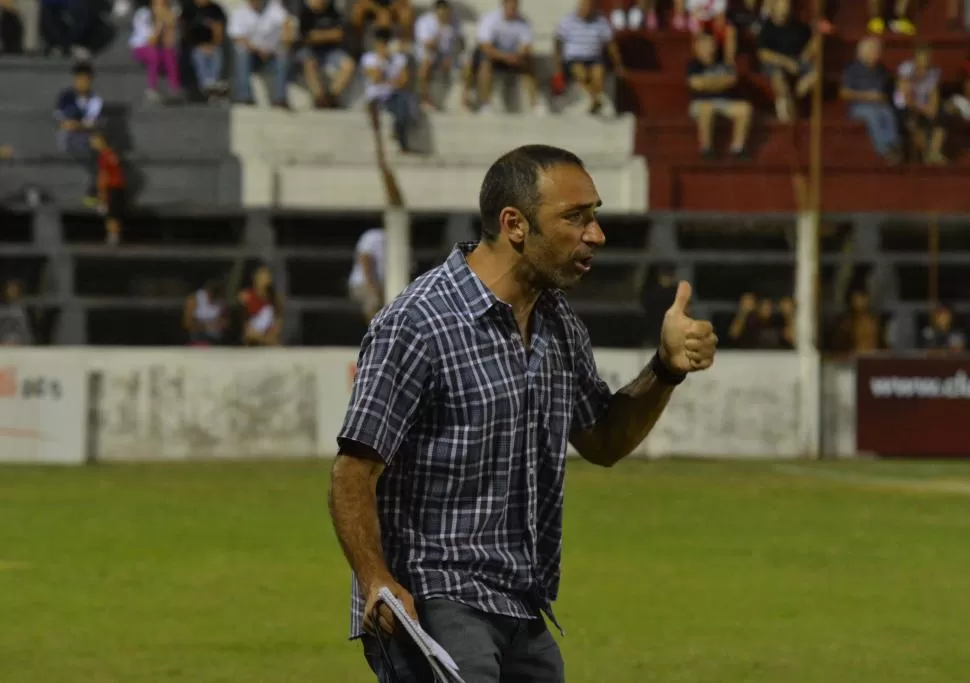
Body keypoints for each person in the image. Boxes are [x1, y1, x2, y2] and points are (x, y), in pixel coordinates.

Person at [328, 144, 718, 683]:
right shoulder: (418, 322)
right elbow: (353, 470)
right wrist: (375, 579)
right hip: (435, 602)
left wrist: (666, 369)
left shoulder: (558, 323)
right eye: (575, 217)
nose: (596, 234)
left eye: (595, 215)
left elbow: (603, 440)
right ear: (515, 224)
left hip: (521, 607)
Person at [552, 0, 627, 116]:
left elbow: (610, 44)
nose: (584, 10)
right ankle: (596, 100)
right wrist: (557, 62)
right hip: (574, 58)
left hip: (594, 57)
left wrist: (618, 63)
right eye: (582, 6)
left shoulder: (600, 21)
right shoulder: (568, 20)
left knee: (598, 75)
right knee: (582, 73)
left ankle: (594, 101)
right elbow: (558, 41)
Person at [687, 33, 752, 159]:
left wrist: (709, 83)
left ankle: (738, 148)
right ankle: (706, 148)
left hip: (723, 102)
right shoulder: (693, 65)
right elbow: (696, 84)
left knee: (745, 108)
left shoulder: (723, 63)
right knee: (707, 108)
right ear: (697, 48)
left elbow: (732, 80)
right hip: (701, 102)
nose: (709, 48)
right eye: (705, 45)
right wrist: (720, 82)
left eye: (711, 45)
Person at [840, 37, 901, 164]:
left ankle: (894, 145)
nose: (878, 54)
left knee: (887, 112)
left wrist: (882, 97)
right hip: (858, 106)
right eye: (875, 51)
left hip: (879, 104)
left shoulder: (881, 70)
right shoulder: (852, 69)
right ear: (864, 53)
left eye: (878, 51)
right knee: (872, 115)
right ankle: (884, 150)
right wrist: (868, 96)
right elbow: (844, 93)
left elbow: (887, 90)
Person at [757, 0, 817, 123]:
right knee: (777, 75)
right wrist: (786, 62)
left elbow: (811, 40)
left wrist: (808, 52)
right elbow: (763, 54)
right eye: (781, 7)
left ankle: (796, 95)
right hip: (775, 62)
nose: (784, 10)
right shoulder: (766, 28)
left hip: (796, 60)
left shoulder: (797, 25)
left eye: (786, 7)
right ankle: (784, 111)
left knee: (815, 73)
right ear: (773, 9)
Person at [54, 61, 103, 206]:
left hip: (86, 138)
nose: (83, 83)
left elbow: (93, 124)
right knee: (96, 147)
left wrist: (79, 125)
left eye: (87, 79)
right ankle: (94, 191)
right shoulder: (65, 97)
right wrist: (82, 125)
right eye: (80, 79)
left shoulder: (95, 100)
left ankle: (97, 192)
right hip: (69, 138)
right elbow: (65, 123)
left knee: (100, 147)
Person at [362, 27, 414, 154]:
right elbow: (375, 77)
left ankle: (401, 138)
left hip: (393, 95)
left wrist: (389, 80)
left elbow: (404, 81)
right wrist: (383, 62)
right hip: (375, 97)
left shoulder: (399, 58)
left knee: (404, 103)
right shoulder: (368, 58)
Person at [299, 0, 354, 108]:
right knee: (309, 63)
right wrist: (328, 35)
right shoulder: (305, 13)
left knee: (349, 64)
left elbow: (339, 34)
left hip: (331, 51)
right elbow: (307, 38)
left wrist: (319, 35)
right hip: (312, 50)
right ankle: (319, 98)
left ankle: (332, 97)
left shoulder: (333, 11)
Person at [129, 0, 182, 102]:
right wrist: (160, 23)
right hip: (141, 47)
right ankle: (152, 88)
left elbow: (170, 43)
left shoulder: (170, 13)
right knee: (154, 54)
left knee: (169, 53)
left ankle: (174, 88)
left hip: (159, 48)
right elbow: (151, 40)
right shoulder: (143, 14)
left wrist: (170, 26)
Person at [182, 0, 228, 99]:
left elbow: (220, 33)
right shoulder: (188, 9)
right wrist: (200, 46)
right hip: (194, 46)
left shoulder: (216, 10)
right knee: (199, 55)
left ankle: (213, 83)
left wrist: (213, 43)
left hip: (213, 45)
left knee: (217, 54)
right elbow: (186, 32)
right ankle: (206, 86)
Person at [91, 131, 126, 245]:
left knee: (111, 215)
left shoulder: (104, 156)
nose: (93, 143)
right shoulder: (112, 154)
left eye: (95, 141)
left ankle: (113, 237)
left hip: (111, 189)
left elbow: (104, 176)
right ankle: (114, 236)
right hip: (117, 188)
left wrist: (102, 194)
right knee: (113, 214)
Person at [347, 227, 385, 323]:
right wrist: (371, 287)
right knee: (373, 302)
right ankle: (376, 334)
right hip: (362, 283)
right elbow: (365, 258)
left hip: (383, 285)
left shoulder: (401, 239)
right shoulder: (374, 235)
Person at [239, 265, 283, 345]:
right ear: (255, 278)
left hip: (269, 336)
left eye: (266, 276)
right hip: (251, 336)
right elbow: (245, 327)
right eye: (261, 276)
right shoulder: (246, 296)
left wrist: (270, 336)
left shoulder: (275, 299)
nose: (263, 279)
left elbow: (278, 322)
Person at [183, 278, 228, 345]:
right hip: (198, 336)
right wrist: (204, 327)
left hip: (216, 338)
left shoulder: (221, 302)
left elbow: (227, 323)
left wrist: (219, 324)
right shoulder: (194, 299)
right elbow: (187, 323)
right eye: (210, 292)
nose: (211, 296)